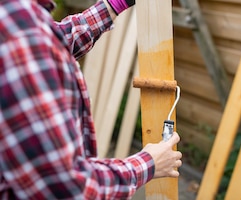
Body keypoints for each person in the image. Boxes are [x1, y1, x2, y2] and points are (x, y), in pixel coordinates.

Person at [0, 0, 182, 199]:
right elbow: (69, 189)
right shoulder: (14, 28)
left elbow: (54, 41)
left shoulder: (19, 19)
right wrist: (148, 164)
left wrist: (114, 5)